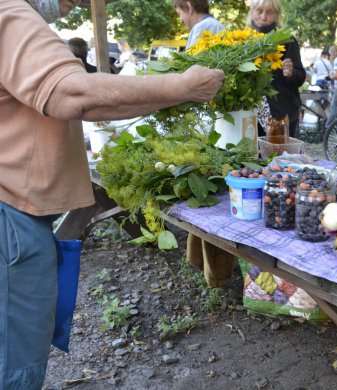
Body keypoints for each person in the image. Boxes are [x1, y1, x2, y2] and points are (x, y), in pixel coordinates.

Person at [0, 0, 224, 388]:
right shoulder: (9, 12)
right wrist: (183, 86)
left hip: (16, 214)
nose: (75, 4)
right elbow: (72, 94)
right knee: (13, 363)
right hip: (11, 217)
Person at [246, 0, 306, 138]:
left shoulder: (287, 41)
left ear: (277, 16)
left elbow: (300, 76)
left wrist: (291, 73)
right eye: (259, 11)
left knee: (279, 156)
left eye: (269, 12)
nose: (263, 17)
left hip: (280, 113)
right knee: (254, 155)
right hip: (250, 112)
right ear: (252, 12)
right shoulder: (244, 40)